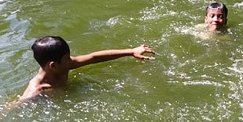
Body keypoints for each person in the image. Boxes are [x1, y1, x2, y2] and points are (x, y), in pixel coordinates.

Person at [19, 36, 155, 102]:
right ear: (53, 65)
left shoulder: (63, 66)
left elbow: (94, 57)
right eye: (67, 58)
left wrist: (131, 51)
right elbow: (18, 106)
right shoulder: (37, 91)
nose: (72, 60)